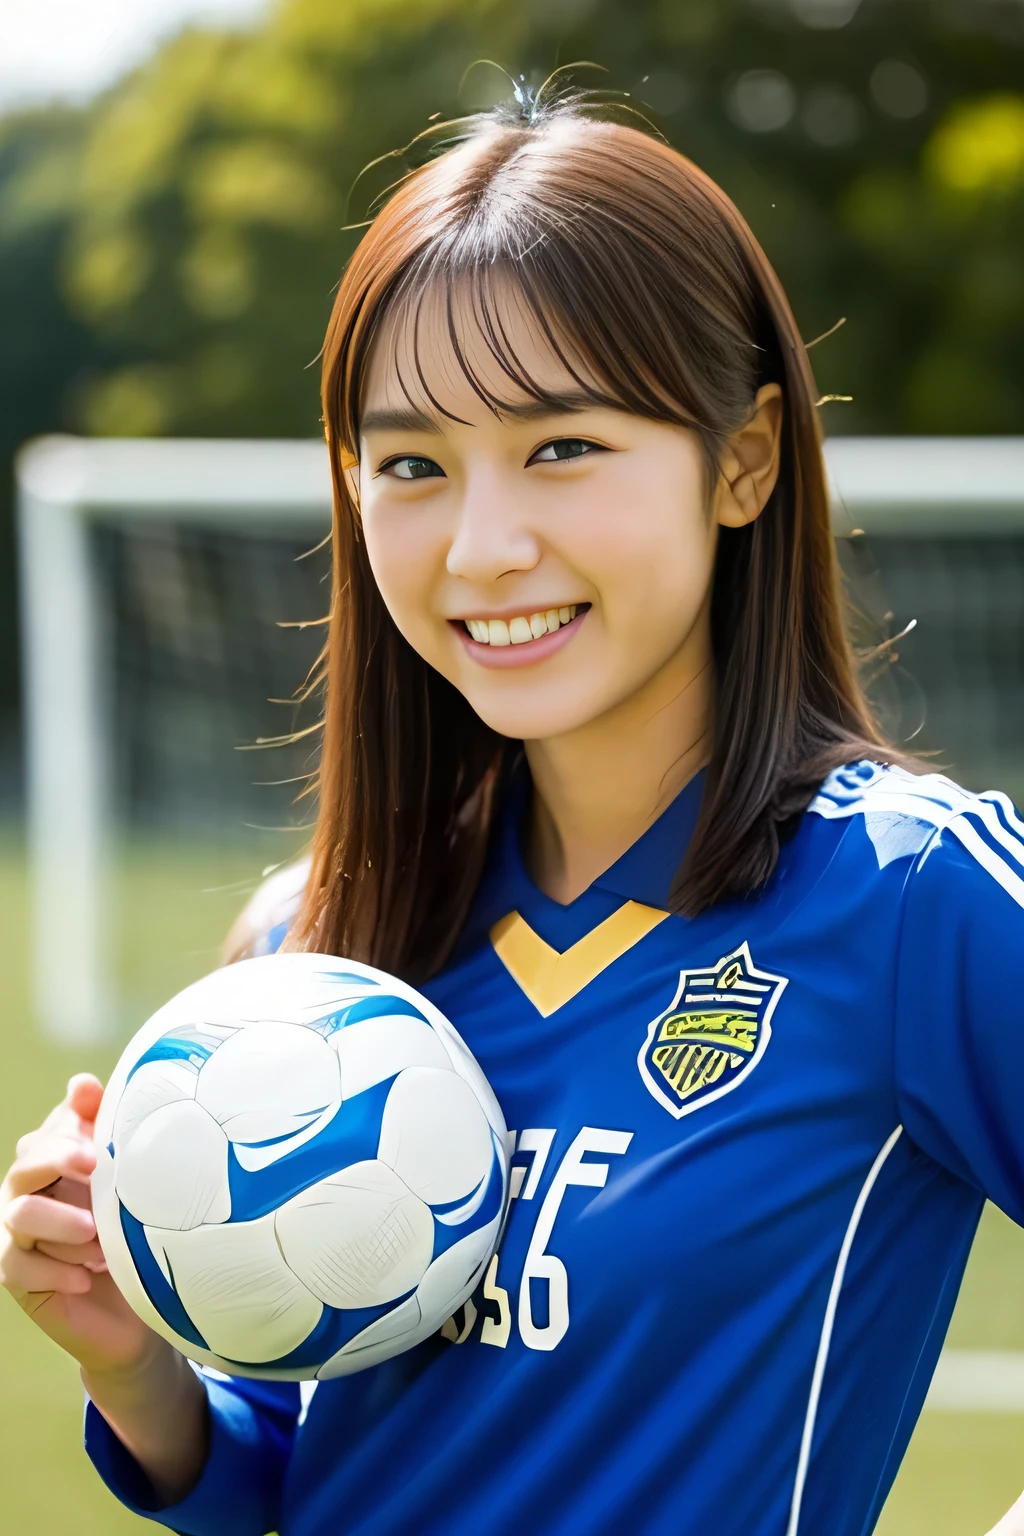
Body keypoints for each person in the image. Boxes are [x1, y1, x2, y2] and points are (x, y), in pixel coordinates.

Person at [4, 92, 1024, 1536]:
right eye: (413, 464)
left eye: (562, 449)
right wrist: (138, 1365)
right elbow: (298, 1478)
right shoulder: (312, 949)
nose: (483, 548)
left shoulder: (906, 895)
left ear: (743, 462)